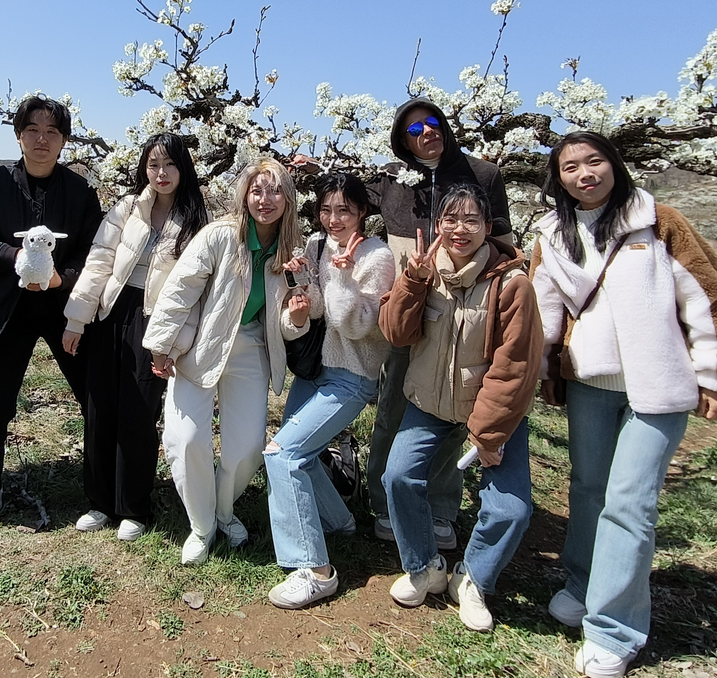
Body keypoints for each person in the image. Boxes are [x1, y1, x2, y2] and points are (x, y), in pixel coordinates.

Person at [530, 131, 717, 678]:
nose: (585, 174)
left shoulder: (659, 222)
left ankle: (615, 629)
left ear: (614, 165)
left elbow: (706, 297)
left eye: (594, 162)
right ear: (557, 179)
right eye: (570, 167)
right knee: (587, 489)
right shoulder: (553, 234)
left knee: (629, 502)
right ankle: (582, 584)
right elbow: (544, 311)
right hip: (590, 382)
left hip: (657, 385)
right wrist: (544, 375)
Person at [378, 183, 541, 630]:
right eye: (450, 219)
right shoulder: (424, 270)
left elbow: (516, 366)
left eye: (472, 220)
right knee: (398, 477)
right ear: (437, 226)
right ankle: (424, 565)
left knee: (511, 508)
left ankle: (472, 578)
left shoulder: (512, 283)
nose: (459, 229)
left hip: (490, 410)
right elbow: (396, 334)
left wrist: (488, 434)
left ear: (488, 228)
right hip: (429, 403)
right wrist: (411, 281)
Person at [0, 95, 103, 535]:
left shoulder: (79, 192)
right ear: (18, 135)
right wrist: (11, 256)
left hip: (64, 311)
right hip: (5, 311)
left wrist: (61, 279)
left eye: (52, 132)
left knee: (95, 398)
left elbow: (95, 254)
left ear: (65, 140)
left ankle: (104, 494)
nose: (42, 139)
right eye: (33, 130)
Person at [366, 96, 513, 549]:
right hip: (408, 308)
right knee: (393, 405)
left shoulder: (482, 175)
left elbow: (505, 243)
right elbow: (342, 199)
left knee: (454, 411)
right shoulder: (391, 180)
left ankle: (441, 506)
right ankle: (382, 500)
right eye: (412, 129)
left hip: (464, 310)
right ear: (401, 140)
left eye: (431, 123)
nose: (425, 132)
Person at [143, 157, 301, 565]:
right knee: (188, 438)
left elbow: (289, 313)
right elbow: (180, 289)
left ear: (288, 197)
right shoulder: (220, 236)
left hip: (251, 349)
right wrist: (162, 344)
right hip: (202, 345)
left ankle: (224, 511)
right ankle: (201, 526)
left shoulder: (291, 248)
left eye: (275, 190)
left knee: (247, 448)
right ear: (245, 193)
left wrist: (297, 315)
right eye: (257, 190)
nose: (265, 200)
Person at [61, 134, 209, 542]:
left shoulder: (196, 220)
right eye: (153, 165)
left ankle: (133, 506)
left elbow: (195, 290)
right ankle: (98, 501)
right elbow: (99, 263)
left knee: (139, 411)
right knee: (99, 404)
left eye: (170, 165)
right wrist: (77, 319)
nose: (161, 174)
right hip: (111, 311)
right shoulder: (128, 208)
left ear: (183, 169)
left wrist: (173, 343)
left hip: (157, 320)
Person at [263, 172, 396, 608]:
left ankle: (316, 570)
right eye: (326, 210)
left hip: (351, 376)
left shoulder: (377, 256)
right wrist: (302, 287)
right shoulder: (318, 246)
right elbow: (320, 311)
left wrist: (341, 278)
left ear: (362, 212)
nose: (334, 219)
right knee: (298, 452)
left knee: (283, 454)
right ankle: (338, 523)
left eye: (344, 210)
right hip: (315, 369)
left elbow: (353, 324)